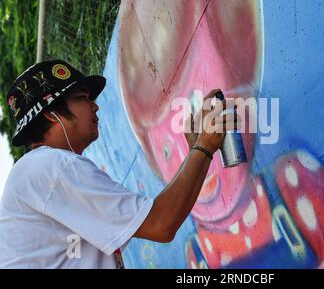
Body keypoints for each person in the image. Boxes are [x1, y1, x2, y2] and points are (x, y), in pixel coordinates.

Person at [0, 59, 238, 268]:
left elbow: (158, 218)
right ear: (51, 114)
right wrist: (203, 147)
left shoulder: (41, 171)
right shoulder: (52, 166)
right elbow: (160, 223)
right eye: (82, 98)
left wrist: (198, 151)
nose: (95, 105)